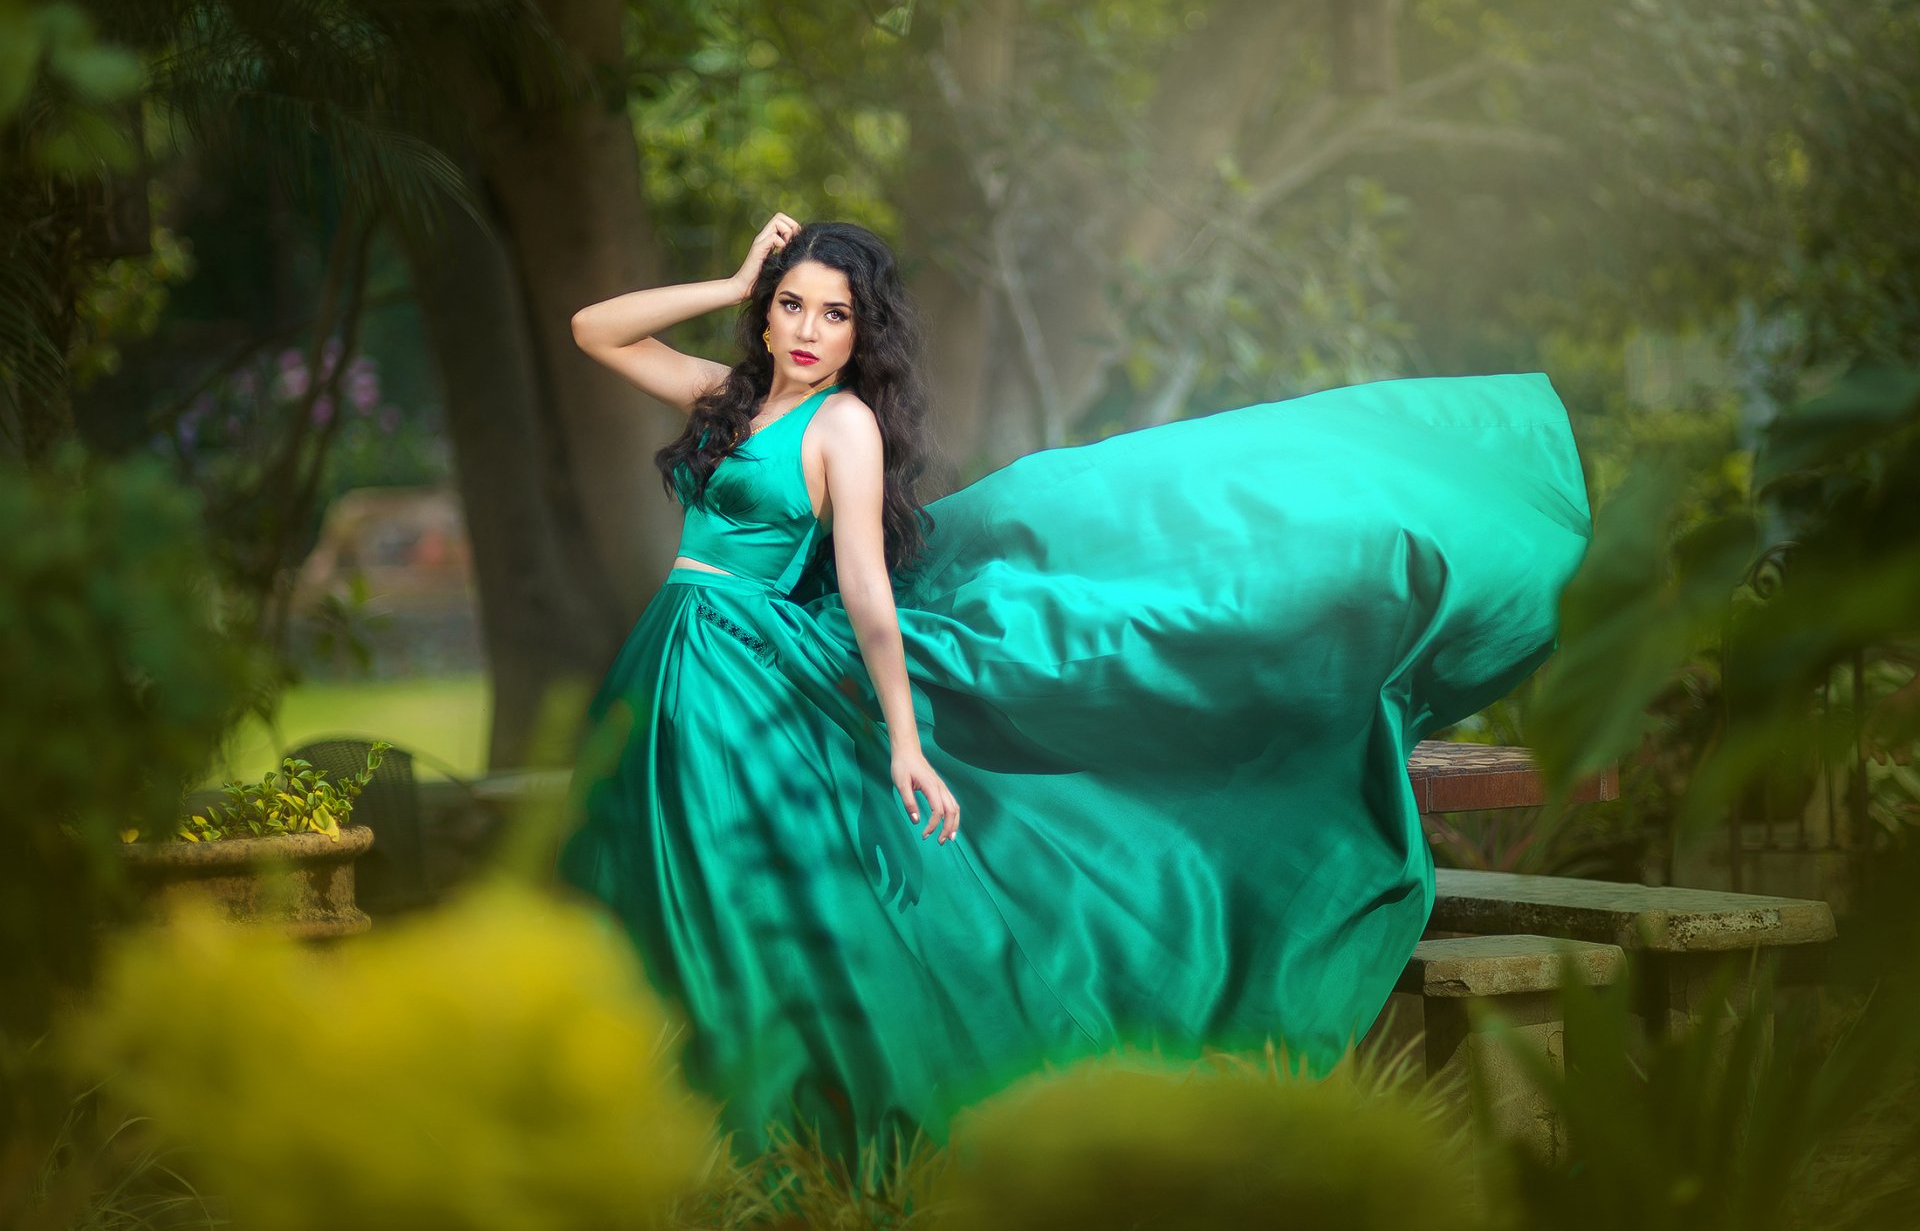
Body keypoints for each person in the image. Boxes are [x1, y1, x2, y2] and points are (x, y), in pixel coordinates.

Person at [554, 213, 1593, 1166]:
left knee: (724, 884)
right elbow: (595, 329)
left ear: (863, 333)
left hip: (746, 670)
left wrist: (906, 741)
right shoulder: (729, 399)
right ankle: (641, 1121)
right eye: (792, 305)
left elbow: (867, 589)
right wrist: (735, 276)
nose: (809, 331)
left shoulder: (842, 428)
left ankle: (758, 1130)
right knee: (651, 868)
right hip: (674, 656)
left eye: (836, 314)